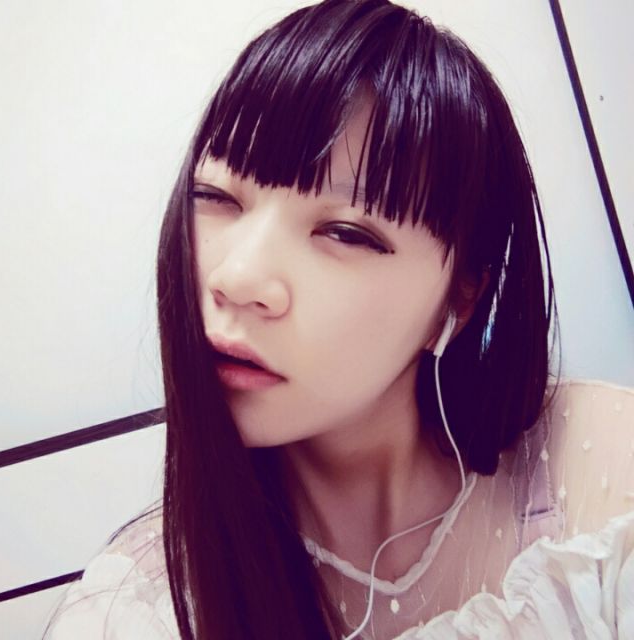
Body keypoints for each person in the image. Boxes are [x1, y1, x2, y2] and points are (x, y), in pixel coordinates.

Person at [43, 1, 634, 638]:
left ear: (459, 300)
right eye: (214, 196)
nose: (236, 279)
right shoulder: (139, 612)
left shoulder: (598, 479)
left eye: (345, 232)